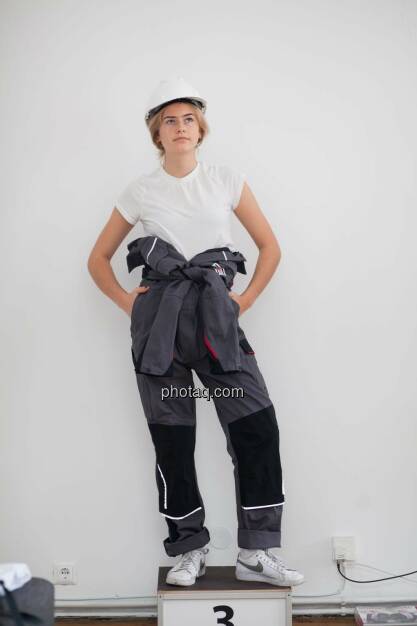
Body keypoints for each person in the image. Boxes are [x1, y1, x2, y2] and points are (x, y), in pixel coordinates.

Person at [87, 76, 305, 588]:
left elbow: (270, 247)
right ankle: (189, 549)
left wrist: (244, 301)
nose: (180, 127)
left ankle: (257, 552)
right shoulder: (140, 190)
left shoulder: (226, 179)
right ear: (157, 133)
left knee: (256, 428)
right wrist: (127, 303)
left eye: (189, 119)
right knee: (172, 440)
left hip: (217, 323)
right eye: (170, 120)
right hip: (160, 329)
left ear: (201, 129)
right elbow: (97, 259)